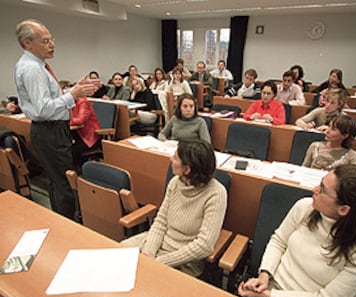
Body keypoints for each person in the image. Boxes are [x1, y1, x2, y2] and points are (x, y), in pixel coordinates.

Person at [238, 164, 356, 297]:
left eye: (323, 190)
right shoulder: (305, 207)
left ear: (343, 209)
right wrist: (264, 276)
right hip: (270, 287)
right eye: (320, 184)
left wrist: (268, 295)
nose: (314, 190)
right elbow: (279, 241)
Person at [14, 19, 101, 219]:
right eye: (45, 41)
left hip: (49, 129)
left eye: (52, 40)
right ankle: (67, 223)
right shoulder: (33, 69)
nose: (52, 45)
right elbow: (44, 109)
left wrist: (74, 90)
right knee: (63, 181)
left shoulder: (35, 65)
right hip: (50, 129)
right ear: (28, 42)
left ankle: (61, 219)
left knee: (57, 179)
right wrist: (73, 95)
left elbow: (50, 100)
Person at [121, 138, 227, 277]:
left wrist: (159, 262)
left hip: (183, 260)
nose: (171, 158)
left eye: (175, 157)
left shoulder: (216, 193)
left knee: (142, 281)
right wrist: (148, 252)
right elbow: (161, 221)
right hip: (157, 245)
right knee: (115, 256)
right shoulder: (175, 183)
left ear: (187, 169)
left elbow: (204, 246)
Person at [69, 97, 101, 166]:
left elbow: (80, 120)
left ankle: (77, 171)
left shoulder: (83, 102)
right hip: (78, 133)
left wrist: (66, 121)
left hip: (89, 137)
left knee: (70, 150)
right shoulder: (70, 102)